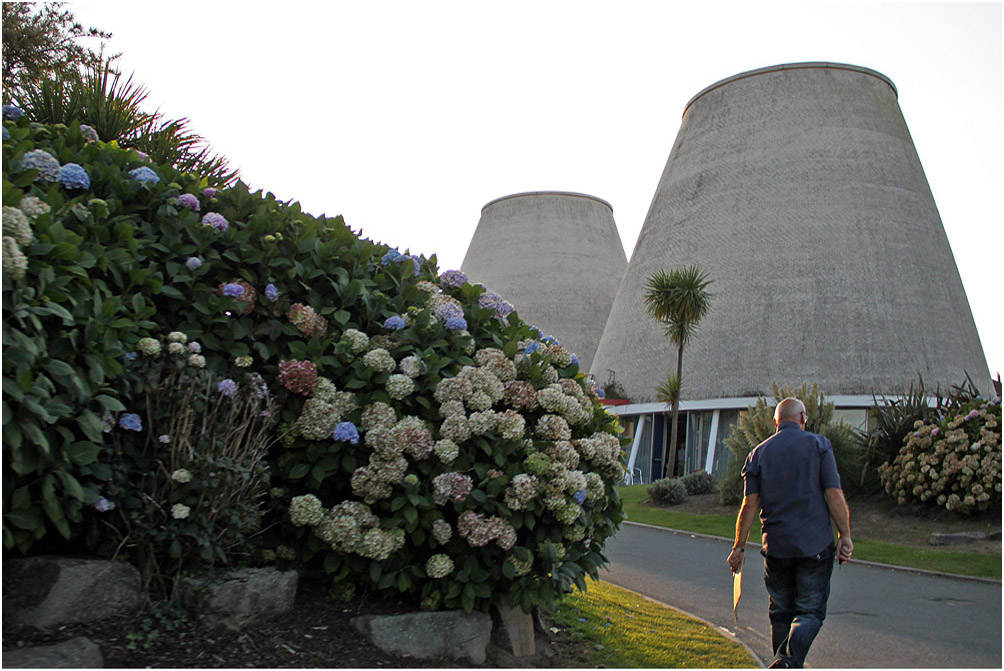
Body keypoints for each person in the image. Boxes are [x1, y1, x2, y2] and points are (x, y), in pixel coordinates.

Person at [726, 397, 853, 668]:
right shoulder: (819, 446)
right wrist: (845, 535)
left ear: (775, 422)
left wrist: (738, 546)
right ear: (803, 417)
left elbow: (749, 504)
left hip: (776, 549)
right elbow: (833, 494)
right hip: (814, 546)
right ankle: (786, 661)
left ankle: (782, 662)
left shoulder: (758, 453)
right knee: (810, 612)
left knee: (781, 613)